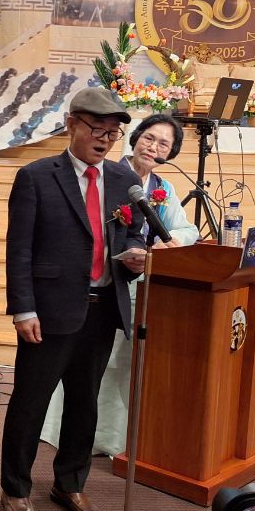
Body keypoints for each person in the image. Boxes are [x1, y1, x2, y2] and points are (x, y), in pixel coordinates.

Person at [1, 87, 146, 511]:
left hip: (102, 309)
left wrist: (135, 255)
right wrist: (23, 309)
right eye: (97, 129)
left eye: (113, 133)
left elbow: (133, 232)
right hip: (48, 311)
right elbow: (19, 249)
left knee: (85, 403)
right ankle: (16, 489)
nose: (105, 140)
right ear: (71, 124)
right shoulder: (36, 176)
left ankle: (70, 483)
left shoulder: (123, 180)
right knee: (31, 403)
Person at [40, 114, 199, 457]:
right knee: (94, 364)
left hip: (142, 284)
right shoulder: (109, 176)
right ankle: (67, 432)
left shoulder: (163, 187)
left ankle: (114, 439)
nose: (153, 147)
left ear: (170, 154)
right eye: (149, 138)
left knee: (124, 363)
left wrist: (167, 242)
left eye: (163, 144)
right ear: (135, 138)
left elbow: (188, 230)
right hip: (104, 283)